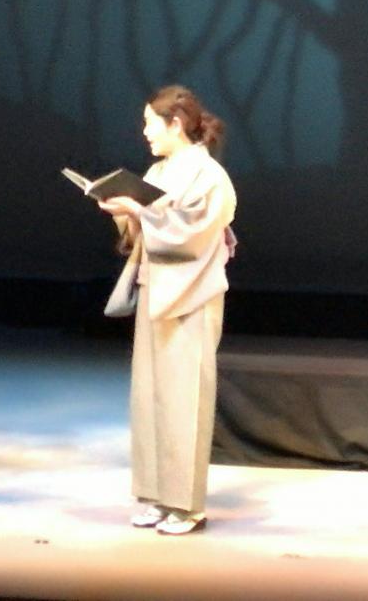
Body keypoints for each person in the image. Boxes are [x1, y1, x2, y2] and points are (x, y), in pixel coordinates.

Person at [94, 84, 236, 536]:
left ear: (175, 124)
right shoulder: (159, 170)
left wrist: (140, 211)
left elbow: (192, 233)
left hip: (190, 295)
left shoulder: (209, 175)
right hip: (156, 289)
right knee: (151, 397)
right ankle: (155, 495)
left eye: (150, 124)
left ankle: (187, 505)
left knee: (183, 398)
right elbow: (148, 229)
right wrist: (124, 212)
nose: (145, 132)